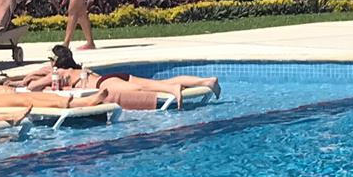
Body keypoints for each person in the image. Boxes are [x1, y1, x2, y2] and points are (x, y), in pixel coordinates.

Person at [17, 44, 219, 110]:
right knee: (157, 82)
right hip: (113, 76)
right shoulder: (74, 70)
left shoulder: (60, 73)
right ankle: (206, 81)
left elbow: (34, 87)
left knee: (145, 90)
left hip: (106, 83)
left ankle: (173, 91)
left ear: (55, 62)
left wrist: (35, 74)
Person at [0, 58, 111, 114]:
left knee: (38, 96)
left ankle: (81, 102)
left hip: (9, 93)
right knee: (31, 99)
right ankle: (84, 103)